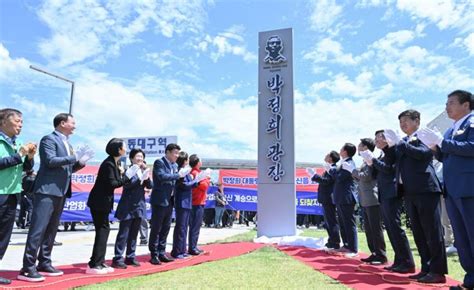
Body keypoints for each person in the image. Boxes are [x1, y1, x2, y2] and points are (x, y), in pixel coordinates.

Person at [19, 113, 90, 282]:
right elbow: (50, 161)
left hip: (61, 191)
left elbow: (67, 169)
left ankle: (44, 262)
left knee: (51, 229)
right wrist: (74, 158)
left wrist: (80, 163)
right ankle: (28, 267)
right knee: (38, 229)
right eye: (72, 122)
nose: (75, 126)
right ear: (62, 123)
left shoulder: (67, 144)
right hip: (46, 190)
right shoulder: (48, 139)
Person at [418, 90, 474, 290]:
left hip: (469, 188)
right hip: (452, 190)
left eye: (451, 102)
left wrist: (442, 142)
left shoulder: (471, 122)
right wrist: (435, 148)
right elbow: (447, 156)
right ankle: (470, 280)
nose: (447, 107)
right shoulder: (451, 129)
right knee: (462, 238)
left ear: (466, 105)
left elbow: (471, 147)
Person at [384, 109, 447, 283]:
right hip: (409, 191)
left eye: (406, 121)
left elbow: (422, 154)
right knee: (418, 233)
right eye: (400, 122)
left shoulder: (425, 135)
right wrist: (388, 146)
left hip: (426, 189)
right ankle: (426, 268)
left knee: (432, 232)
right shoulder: (403, 141)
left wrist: (400, 144)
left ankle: (438, 272)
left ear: (416, 121)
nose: (402, 125)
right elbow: (391, 162)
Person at [368, 130, 415, 272]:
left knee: (395, 227)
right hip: (384, 193)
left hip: (392, 193)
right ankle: (399, 260)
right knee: (390, 228)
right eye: (375, 137)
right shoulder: (382, 154)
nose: (376, 140)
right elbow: (374, 175)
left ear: (387, 138)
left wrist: (374, 161)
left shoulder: (392, 151)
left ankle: (408, 262)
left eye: (379, 137)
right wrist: (371, 163)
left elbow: (390, 170)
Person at [0, 109, 35, 285]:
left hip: (13, 194)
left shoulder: (17, 142)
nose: (20, 125)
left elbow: (27, 168)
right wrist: (19, 154)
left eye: (22, 122)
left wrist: (29, 156)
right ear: (4, 121)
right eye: (18, 121)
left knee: (4, 235)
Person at [86, 138, 128, 274]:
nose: (125, 148)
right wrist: (127, 177)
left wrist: (123, 174)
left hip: (103, 202)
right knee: (102, 230)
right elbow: (113, 184)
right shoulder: (109, 163)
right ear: (118, 149)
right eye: (124, 146)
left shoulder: (114, 163)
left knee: (104, 230)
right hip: (99, 202)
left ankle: (99, 261)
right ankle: (94, 264)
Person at [112, 148, 152, 269]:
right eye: (137, 157)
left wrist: (147, 176)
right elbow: (127, 185)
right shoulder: (127, 170)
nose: (140, 159)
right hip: (128, 205)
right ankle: (118, 258)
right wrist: (140, 179)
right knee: (124, 233)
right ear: (131, 158)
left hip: (139, 205)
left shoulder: (142, 170)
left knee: (134, 233)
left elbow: (150, 186)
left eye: (141, 157)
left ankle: (130, 256)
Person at [149, 143, 188, 265]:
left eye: (178, 153)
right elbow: (161, 176)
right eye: (175, 153)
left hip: (170, 200)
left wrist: (183, 176)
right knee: (156, 228)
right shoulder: (159, 162)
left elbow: (176, 180)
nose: (177, 156)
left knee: (166, 228)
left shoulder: (175, 165)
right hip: (160, 200)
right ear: (167, 152)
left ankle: (162, 252)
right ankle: (154, 254)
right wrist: (178, 175)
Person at [353, 138, 387, 265]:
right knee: (368, 228)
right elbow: (361, 179)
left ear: (366, 148)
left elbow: (366, 177)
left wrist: (354, 172)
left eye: (361, 145)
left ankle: (381, 255)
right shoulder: (364, 162)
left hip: (372, 198)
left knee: (375, 228)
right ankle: (374, 253)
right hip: (365, 199)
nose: (358, 147)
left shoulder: (370, 161)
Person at [309, 151, 342, 250]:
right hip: (326, 197)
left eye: (327, 155)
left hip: (328, 198)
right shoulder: (329, 168)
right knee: (328, 221)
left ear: (331, 158)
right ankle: (331, 240)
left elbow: (326, 181)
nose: (325, 156)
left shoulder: (333, 168)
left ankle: (335, 242)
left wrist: (314, 176)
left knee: (331, 220)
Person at [332, 143, 358, 257]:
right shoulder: (343, 163)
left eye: (342, 148)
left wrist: (331, 171)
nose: (340, 150)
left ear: (346, 151)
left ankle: (353, 248)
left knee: (349, 223)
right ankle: (346, 245)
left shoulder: (349, 163)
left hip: (347, 197)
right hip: (341, 197)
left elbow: (339, 178)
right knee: (343, 223)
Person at [171, 151, 194, 259]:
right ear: (184, 160)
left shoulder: (187, 172)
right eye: (187, 159)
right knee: (180, 227)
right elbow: (183, 185)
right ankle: (177, 251)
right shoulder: (180, 171)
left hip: (187, 201)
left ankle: (183, 250)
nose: (188, 161)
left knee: (184, 227)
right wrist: (195, 182)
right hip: (181, 202)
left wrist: (195, 181)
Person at [188, 154, 211, 255]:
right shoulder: (195, 173)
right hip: (196, 202)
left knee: (195, 226)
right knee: (195, 226)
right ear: (197, 163)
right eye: (200, 161)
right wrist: (207, 179)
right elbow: (204, 186)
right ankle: (192, 247)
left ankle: (193, 246)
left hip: (198, 202)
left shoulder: (197, 172)